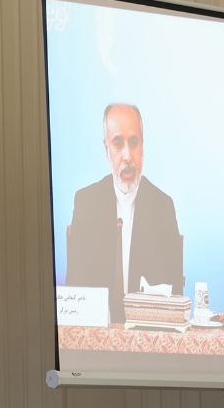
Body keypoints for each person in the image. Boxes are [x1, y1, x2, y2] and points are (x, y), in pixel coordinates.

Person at [65, 103, 183, 322]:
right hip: (97, 335)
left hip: (147, 335)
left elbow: (174, 293)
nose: (127, 156)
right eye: (118, 143)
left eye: (134, 142)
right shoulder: (86, 203)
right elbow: (76, 288)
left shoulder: (163, 207)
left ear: (143, 147)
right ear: (106, 149)